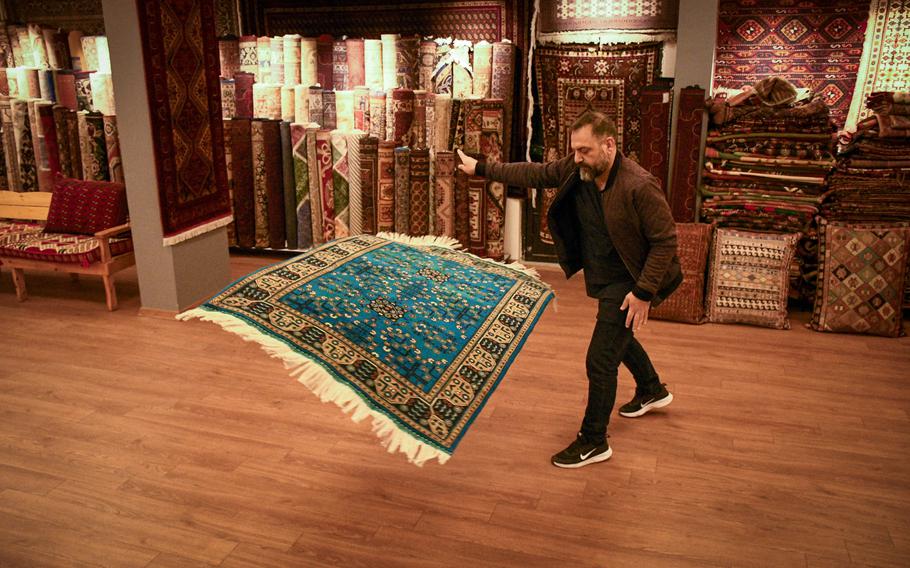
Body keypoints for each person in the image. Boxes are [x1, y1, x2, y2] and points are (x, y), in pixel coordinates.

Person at [457, 110, 682, 468]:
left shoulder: (639, 184)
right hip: (608, 275)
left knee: (600, 358)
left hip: (633, 276)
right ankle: (651, 389)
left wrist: (642, 293)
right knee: (617, 337)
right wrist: (483, 168)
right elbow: (535, 173)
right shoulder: (579, 170)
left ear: (609, 145)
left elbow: (666, 241)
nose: (577, 158)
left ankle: (594, 441)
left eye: (585, 150)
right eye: (575, 150)